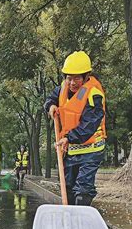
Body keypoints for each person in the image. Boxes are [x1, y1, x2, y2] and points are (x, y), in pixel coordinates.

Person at [44, 51, 106, 206]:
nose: (72, 83)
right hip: (71, 150)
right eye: (69, 78)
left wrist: (69, 137)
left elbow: (89, 124)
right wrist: (50, 106)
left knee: (82, 189)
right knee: (68, 187)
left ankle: (81, 221)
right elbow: (51, 98)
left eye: (77, 78)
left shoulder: (94, 94)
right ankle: (70, 220)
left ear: (86, 76)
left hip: (91, 149)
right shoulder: (63, 88)